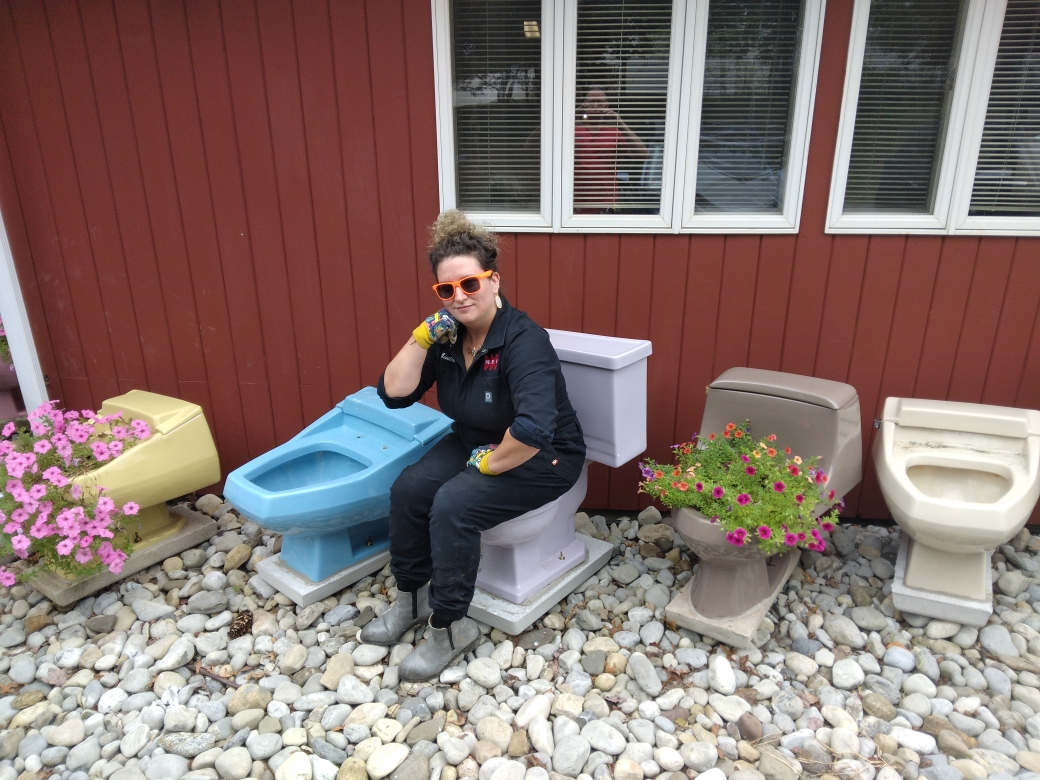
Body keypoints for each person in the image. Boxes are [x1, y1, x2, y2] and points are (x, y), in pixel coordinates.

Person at [360, 210, 586, 680]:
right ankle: (412, 598)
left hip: (544, 456)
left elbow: (533, 430)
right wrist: (419, 339)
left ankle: (448, 627)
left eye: (470, 284)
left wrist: (488, 467)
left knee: (453, 505)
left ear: (494, 280)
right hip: (473, 440)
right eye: (447, 290)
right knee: (408, 490)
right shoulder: (446, 338)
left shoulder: (525, 341)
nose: (459, 297)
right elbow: (393, 394)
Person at [574, 86, 648, 213]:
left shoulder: (614, 133)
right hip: (577, 202)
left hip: (606, 203)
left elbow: (643, 155)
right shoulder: (572, 130)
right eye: (592, 102)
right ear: (584, 104)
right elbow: (531, 147)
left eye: (600, 102)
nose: (596, 105)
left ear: (607, 105)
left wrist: (621, 123)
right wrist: (568, 119)